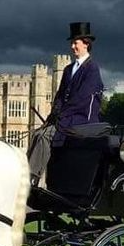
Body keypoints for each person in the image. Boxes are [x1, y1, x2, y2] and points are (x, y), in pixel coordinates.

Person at [29, 22, 104, 186]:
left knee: (45, 135)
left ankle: (32, 176)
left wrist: (62, 115)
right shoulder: (69, 69)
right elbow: (60, 95)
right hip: (66, 118)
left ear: (86, 44)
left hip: (82, 119)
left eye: (75, 43)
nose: (72, 46)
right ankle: (33, 173)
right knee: (37, 133)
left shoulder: (92, 68)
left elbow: (82, 98)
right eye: (72, 43)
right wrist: (53, 114)